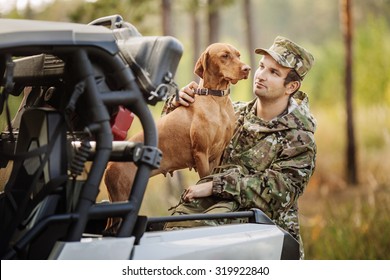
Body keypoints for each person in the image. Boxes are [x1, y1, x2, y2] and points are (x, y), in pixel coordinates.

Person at [161, 36, 316, 259]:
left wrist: (216, 185)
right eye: (262, 66)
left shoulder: (299, 137)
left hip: (265, 246)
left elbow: (279, 192)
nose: (260, 74)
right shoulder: (233, 113)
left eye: (274, 73)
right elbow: (176, 138)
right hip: (210, 226)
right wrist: (176, 103)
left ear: (291, 86)